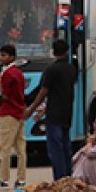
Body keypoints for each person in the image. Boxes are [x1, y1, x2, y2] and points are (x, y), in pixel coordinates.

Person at [25, 39, 77, 180]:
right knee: (66, 146)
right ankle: (68, 175)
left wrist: (31, 109)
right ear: (67, 51)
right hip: (67, 112)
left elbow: (44, 92)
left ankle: (59, 178)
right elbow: (61, 92)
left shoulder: (51, 69)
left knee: (55, 148)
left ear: (53, 52)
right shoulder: (71, 69)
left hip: (54, 114)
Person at [0, 44, 27, 190]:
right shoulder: (19, 73)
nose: (1, 58)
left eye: (4, 55)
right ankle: (21, 179)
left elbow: (5, 94)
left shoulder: (7, 74)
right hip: (19, 112)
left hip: (8, 112)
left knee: (4, 148)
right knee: (20, 148)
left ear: (11, 57)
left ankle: (3, 179)